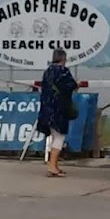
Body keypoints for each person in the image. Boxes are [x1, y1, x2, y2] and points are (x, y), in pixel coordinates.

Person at [37, 47, 78, 178]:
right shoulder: (63, 71)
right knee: (59, 138)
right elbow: (71, 85)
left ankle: (54, 165)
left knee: (54, 136)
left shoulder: (47, 71)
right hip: (58, 109)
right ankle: (52, 166)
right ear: (63, 59)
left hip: (46, 109)